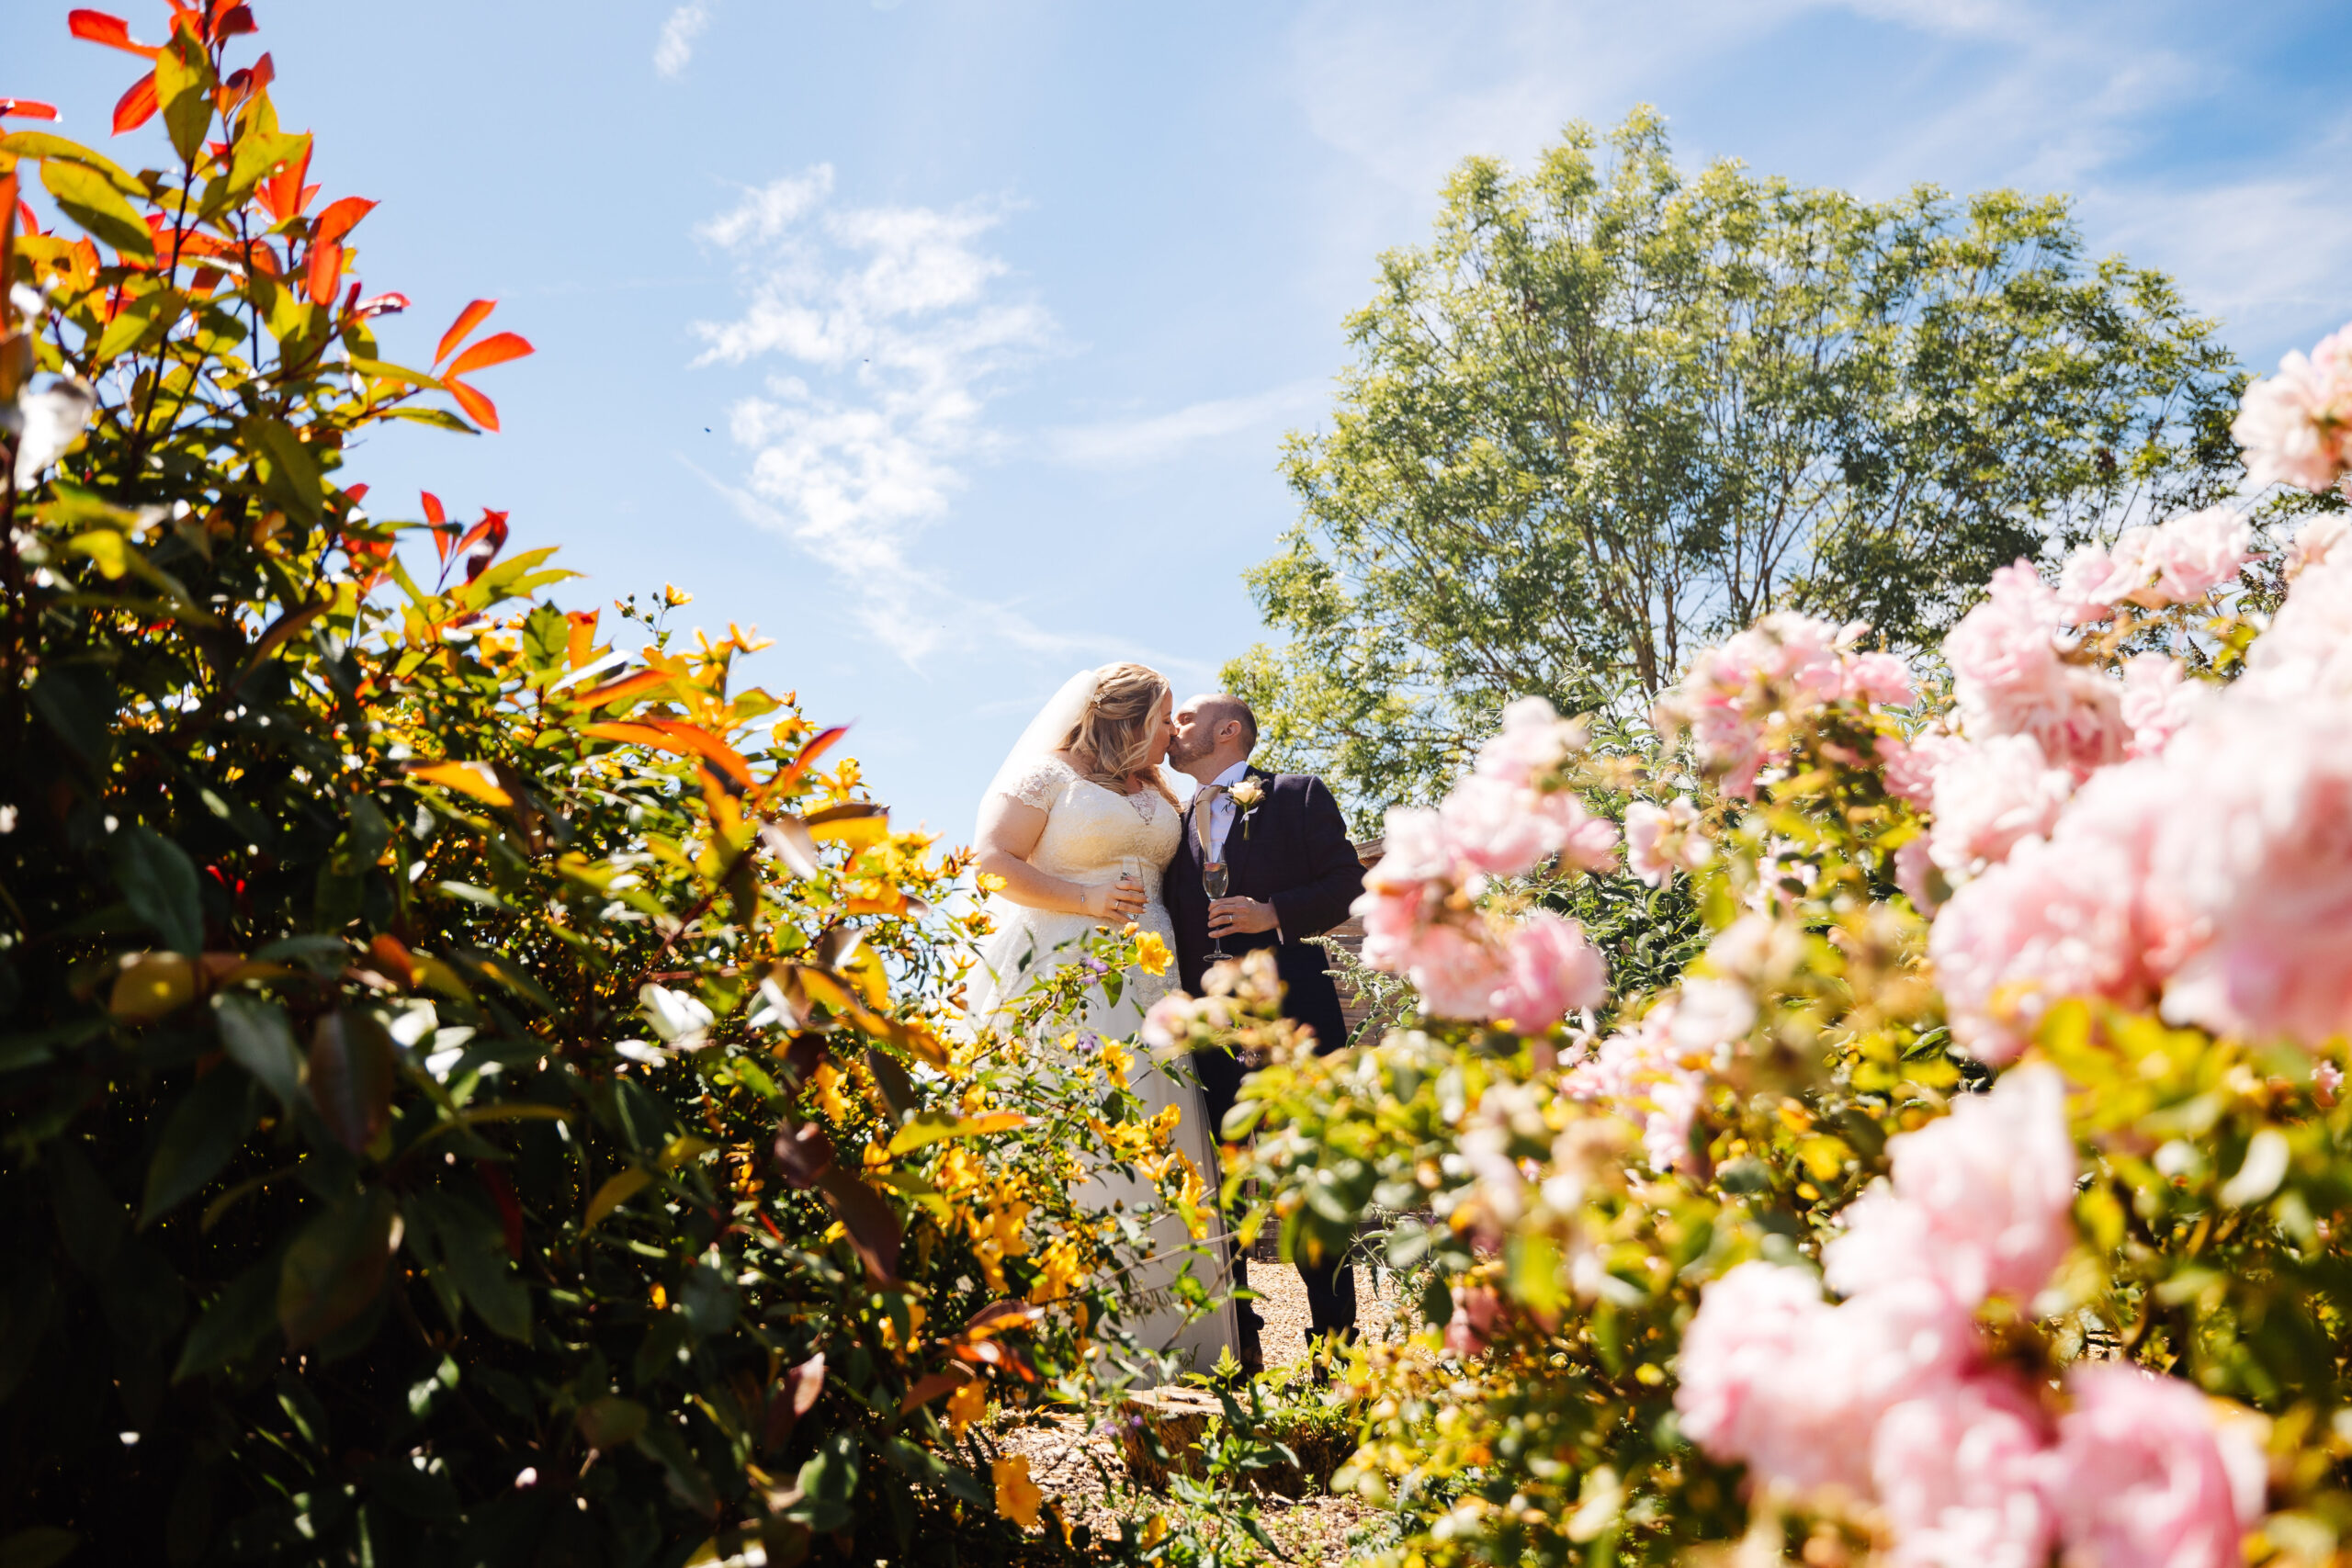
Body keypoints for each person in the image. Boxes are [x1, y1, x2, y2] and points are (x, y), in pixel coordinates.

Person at [969, 664, 1239, 1382]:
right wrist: (1084, 899)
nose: (1172, 734)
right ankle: (1065, 1347)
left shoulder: (1157, 789)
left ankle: (1176, 1343)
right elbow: (990, 864)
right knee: (1081, 1125)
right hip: (1069, 972)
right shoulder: (1047, 775)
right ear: (1126, 717)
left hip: (1157, 982)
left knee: (1159, 1127)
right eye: (1164, 719)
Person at [1162, 693, 1366, 1364]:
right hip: (1208, 1029)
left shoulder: (1297, 795)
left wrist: (1272, 912)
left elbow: (1346, 886)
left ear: (1229, 731)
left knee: (1315, 1182)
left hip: (1294, 1022)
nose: (1173, 728)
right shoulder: (1169, 822)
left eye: (1185, 719)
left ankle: (1333, 1352)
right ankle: (1238, 1345)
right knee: (1219, 1183)